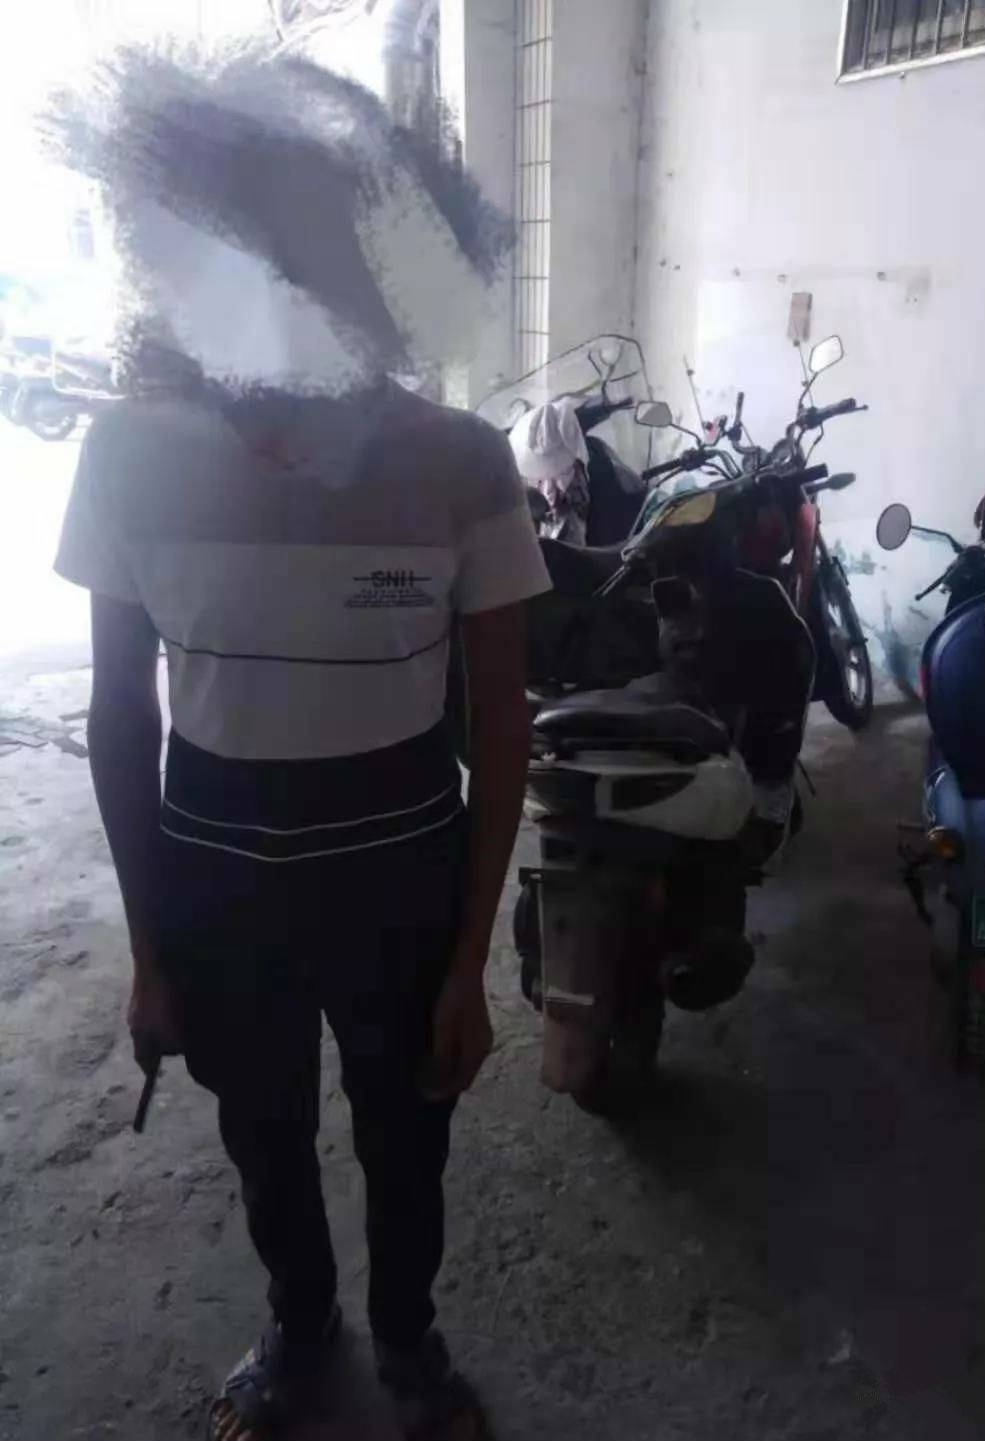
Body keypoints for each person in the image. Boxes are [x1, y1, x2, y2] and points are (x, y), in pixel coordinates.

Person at [47, 44, 548, 1441]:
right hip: (217, 875)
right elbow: (118, 715)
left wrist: (470, 956)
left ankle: (409, 1337)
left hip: (402, 876)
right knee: (261, 1130)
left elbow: (502, 723)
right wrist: (151, 949)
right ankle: (301, 1319)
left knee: (409, 1134)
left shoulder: (460, 464)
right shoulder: (126, 459)